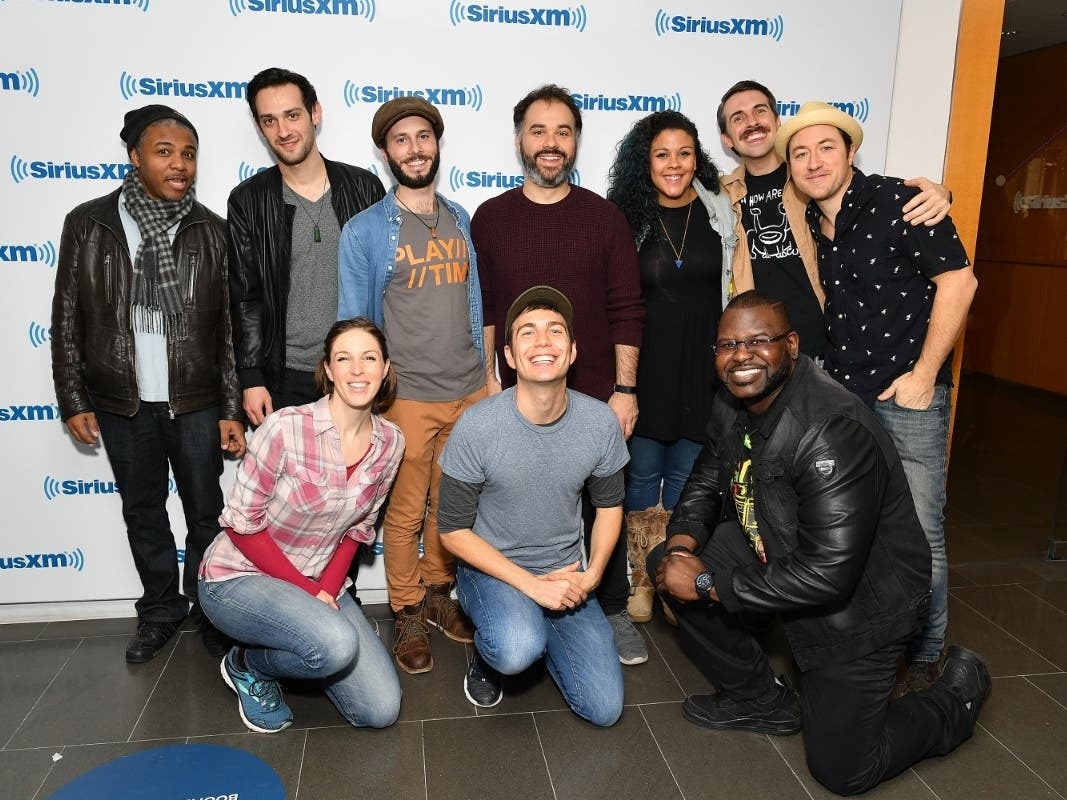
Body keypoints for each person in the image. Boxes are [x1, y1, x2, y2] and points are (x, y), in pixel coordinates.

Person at [650, 291, 990, 796]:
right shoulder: (730, 400)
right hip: (779, 542)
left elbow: (828, 574)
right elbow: (707, 476)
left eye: (758, 341)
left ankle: (955, 698)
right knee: (665, 562)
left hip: (863, 604)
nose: (741, 356)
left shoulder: (830, 427)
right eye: (727, 345)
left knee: (843, 770)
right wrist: (681, 546)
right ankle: (761, 699)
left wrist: (704, 582)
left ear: (791, 345)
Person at [777, 102, 977, 693]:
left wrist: (924, 375)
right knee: (867, 529)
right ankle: (879, 644)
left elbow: (960, 282)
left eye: (826, 148)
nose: (814, 162)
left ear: (850, 153)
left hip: (909, 399)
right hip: (851, 400)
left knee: (920, 532)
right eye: (801, 153)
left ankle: (926, 657)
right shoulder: (818, 221)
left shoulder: (900, 201)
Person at [51, 104, 245, 663]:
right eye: (164, 152)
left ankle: (210, 610)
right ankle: (160, 610)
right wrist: (73, 397)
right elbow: (68, 317)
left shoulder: (210, 228)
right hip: (121, 401)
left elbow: (226, 327)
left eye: (188, 154)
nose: (179, 164)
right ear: (135, 157)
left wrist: (231, 407)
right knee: (143, 509)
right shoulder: (90, 224)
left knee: (207, 512)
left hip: (197, 401)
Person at [471, 84, 647, 664]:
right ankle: (505, 603)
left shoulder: (604, 217)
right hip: (516, 392)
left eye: (563, 132)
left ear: (576, 142)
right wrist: (492, 377)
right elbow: (490, 306)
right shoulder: (491, 217)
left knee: (603, 503)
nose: (551, 144)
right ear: (519, 139)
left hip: (595, 392)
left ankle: (611, 606)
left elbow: (626, 308)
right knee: (512, 501)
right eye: (539, 131)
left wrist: (624, 390)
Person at [198, 318, 404, 734]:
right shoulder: (285, 428)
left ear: (385, 369)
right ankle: (247, 664)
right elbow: (241, 525)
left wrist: (326, 589)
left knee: (380, 710)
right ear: (328, 369)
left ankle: (300, 640)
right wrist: (310, 592)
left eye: (369, 358)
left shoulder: (391, 443)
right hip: (239, 578)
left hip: (318, 581)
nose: (358, 370)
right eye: (344, 359)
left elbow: (358, 530)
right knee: (335, 643)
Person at [338, 97, 485, 674]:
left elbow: (473, 304)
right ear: (384, 152)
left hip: (468, 390)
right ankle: (404, 607)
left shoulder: (460, 217)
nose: (415, 148)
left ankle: (436, 594)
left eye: (424, 137)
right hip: (406, 398)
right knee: (401, 515)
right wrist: (363, 396)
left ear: (437, 144)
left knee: (449, 510)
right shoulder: (366, 231)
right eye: (401, 140)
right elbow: (353, 324)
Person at [438, 286, 628, 726]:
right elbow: (451, 530)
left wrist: (592, 575)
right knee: (515, 648)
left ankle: (535, 629)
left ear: (573, 350)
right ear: (508, 355)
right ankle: (497, 648)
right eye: (527, 332)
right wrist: (530, 586)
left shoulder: (600, 423)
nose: (543, 342)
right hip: (492, 570)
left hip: (564, 573)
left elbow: (610, 508)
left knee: (604, 709)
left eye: (555, 330)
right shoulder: (479, 426)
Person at [606, 110, 737, 623]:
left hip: (703, 370)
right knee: (639, 478)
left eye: (685, 153)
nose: (675, 164)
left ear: (697, 157)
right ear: (645, 162)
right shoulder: (625, 218)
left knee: (687, 479)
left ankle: (673, 578)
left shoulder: (722, 209)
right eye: (662, 154)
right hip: (645, 369)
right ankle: (639, 575)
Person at [716, 79, 952, 361]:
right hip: (762, 352)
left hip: (828, 348)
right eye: (738, 118)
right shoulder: (720, 195)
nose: (752, 122)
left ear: (778, 122)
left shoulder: (814, 178)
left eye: (760, 111)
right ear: (727, 139)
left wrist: (942, 193)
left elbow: (869, 197)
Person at [228, 67, 385, 424]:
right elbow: (244, 296)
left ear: (315, 113)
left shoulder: (364, 188)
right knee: (292, 481)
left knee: (358, 478)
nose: (283, 131)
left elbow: (385, 285)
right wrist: (251, 377)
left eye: (292, 115)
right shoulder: (248, 200)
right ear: (259, 127)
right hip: (285, 376)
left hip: (355, 369)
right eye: (269, 120)